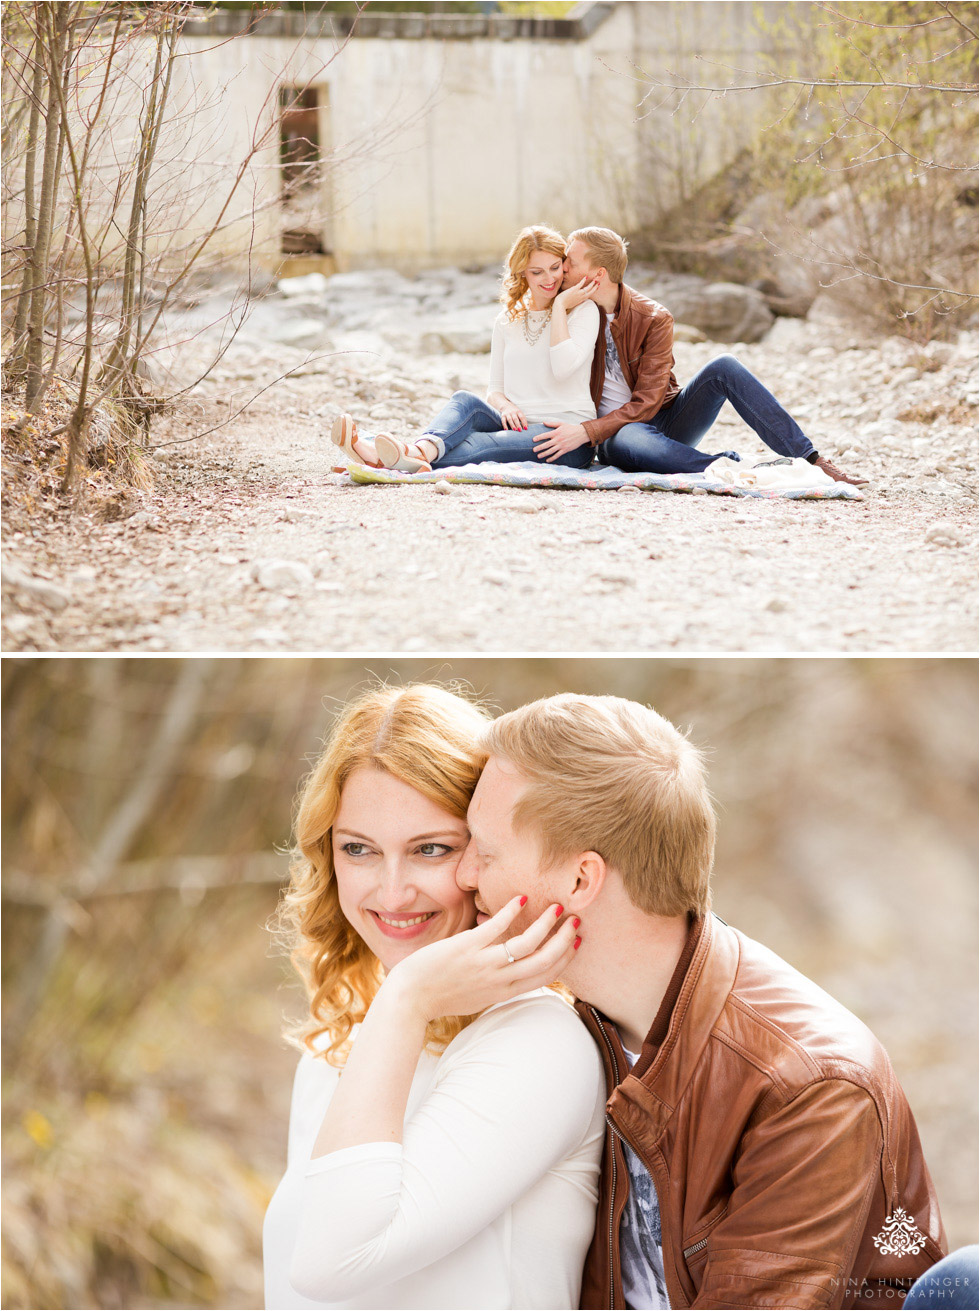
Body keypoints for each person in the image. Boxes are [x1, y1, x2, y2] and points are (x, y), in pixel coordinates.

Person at [455, 691, 946, 1309]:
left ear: (580, 879)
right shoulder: (576, 1029)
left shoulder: (809, 1087)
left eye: (486, 851)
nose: (464, 874)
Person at [263, 683, 606, 1311]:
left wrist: (403, 1001)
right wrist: (397, 1011)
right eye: (359, 849)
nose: (392, 894)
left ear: (485, 854)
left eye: (431, 849)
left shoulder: (538, 1043)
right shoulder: (339, 1045)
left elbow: (329, 1265)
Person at [531, 226, 870, 486]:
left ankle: (811, 460)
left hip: (662, 421)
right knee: (631, 436)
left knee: (724, 366)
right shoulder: (568, 312)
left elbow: (649, 402)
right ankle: (727, 466)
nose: (560, 270)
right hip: (613, 436)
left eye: (569, 263)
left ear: (597, 275)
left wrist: (587, 430)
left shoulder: (653, 317)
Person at [330, 224, 600, 473]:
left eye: (555, 267)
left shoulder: (582, 311)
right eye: (537, 271)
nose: (549, 278)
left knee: (484, 443)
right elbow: (495, 389)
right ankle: (409, 453)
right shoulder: (507, 320)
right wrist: (505, 406)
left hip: (566, 437)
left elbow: (563, 369)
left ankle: (382, 456)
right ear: (522, 273)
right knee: (464, 400)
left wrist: (560, 307)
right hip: (519, 423)